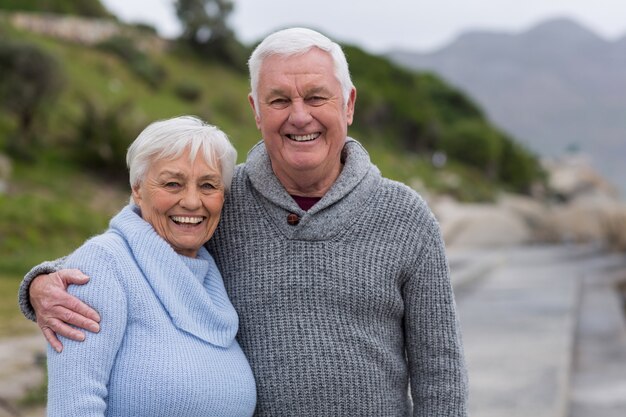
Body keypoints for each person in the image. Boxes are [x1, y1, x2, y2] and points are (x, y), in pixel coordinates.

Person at [19, 28, 468, 416]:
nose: (299, 115)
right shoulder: (220, 201)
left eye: (315, 96)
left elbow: (441, 374)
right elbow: (135, 242)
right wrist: (42, 283)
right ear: (256, 110)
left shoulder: (405, 217)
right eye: (279, 100)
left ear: (348, 104)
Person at [40, 116, 256, 416]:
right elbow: (74, 407)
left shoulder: (211, 273)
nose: (193, 202)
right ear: (138, 188)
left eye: (208, 185)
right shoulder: (103, 265)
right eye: (172, 183)